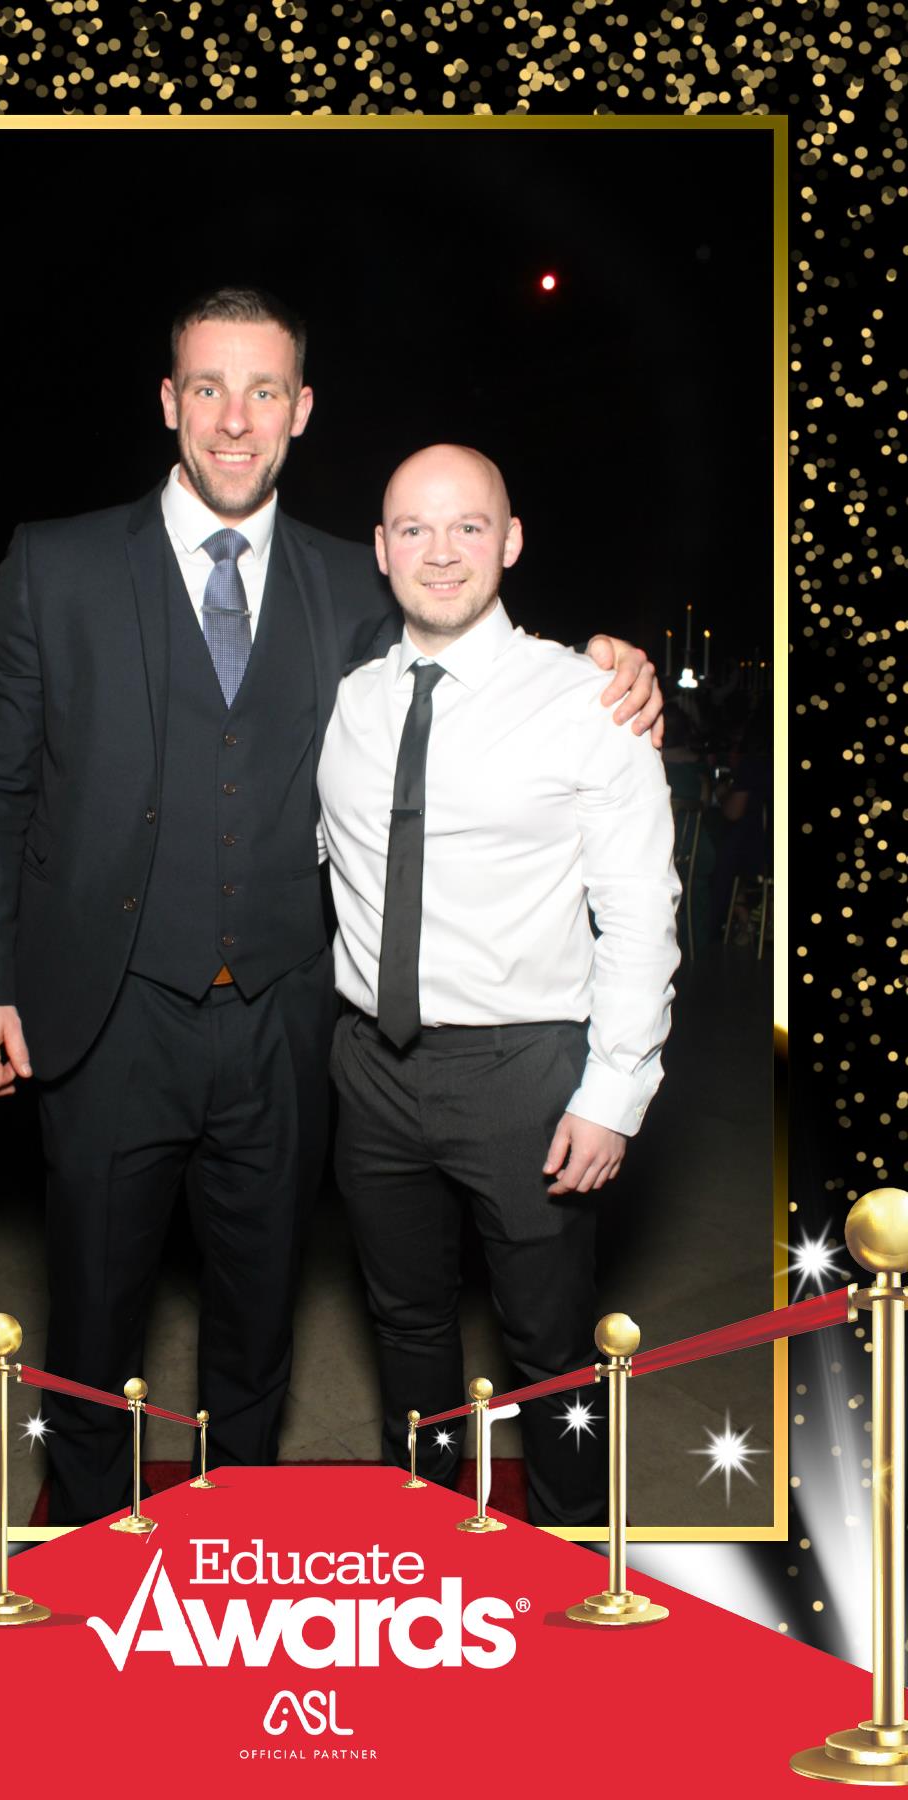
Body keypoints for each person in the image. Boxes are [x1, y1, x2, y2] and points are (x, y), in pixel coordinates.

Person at [0, 289, 664, 1526]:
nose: (235, 419)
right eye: (208, 388)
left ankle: (236, 1524)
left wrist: (608, 666)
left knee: (260, 1307)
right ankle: (84, 1540)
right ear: (169, 402)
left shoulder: (350, 580)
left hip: (286, 1028)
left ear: (301, 409)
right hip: (104, 1018)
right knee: (93, 1311)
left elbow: (465, 632)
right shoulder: (53, 564)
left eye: (263, 390)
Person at [318, 444, 680, 1528]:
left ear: (511, 541)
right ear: (381, 549)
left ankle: (575, 1559)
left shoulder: (590, 701)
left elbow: (640, 910)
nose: (441, 552)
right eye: (415, 529)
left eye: (467, 526)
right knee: (405, 1324)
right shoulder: (349, 700)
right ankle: (430, 1534)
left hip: (526, 1073)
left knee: (551, 1348)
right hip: (369, 1067)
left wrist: (614, 1090)